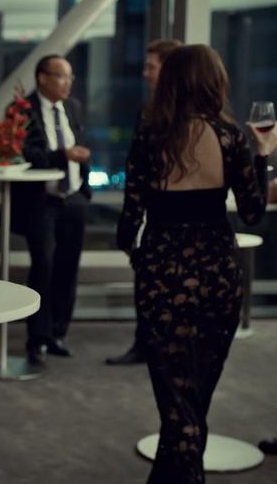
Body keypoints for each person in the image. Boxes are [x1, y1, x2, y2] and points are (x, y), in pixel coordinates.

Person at [117, 44, 275, 484]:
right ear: (213, 82)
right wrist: (264, 153)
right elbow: (252, 212)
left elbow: (130, 219)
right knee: (194, 396)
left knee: (177, 399)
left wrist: (140, 256)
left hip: (163, 272)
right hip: (217, 273)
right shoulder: (230, 136)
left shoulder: (149, 134)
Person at [106, 38, 182, 366]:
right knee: (147, 281)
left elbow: (138, 176)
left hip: (177, 219)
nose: (144, 72)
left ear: (170, 69)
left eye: (151, 66)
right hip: (155, 217)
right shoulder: (149, 111)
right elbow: (135, 174)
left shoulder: (183, 116)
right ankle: (145, 345)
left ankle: (160, 348)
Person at [14, 54, 91, 367]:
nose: (68, 83)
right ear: (42, 78)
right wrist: (64, 155)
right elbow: (27, 154)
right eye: (61, 76)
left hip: (73, 199)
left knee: (68, 268)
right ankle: (37, 338)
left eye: (70, 77)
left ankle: (57, 333)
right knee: (43, 267)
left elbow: (80, 148)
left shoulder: (73, 108)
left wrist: (84, 191)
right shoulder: (23, 109)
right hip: (41, 202)